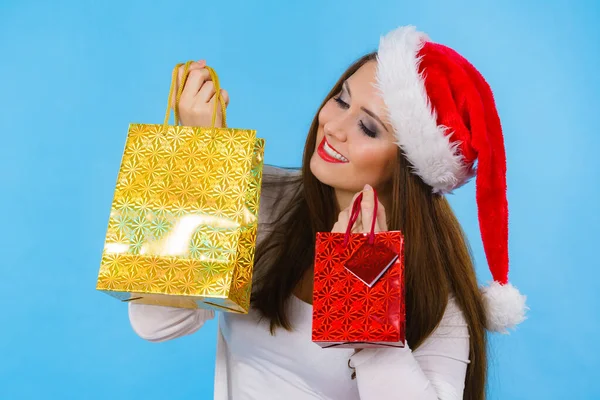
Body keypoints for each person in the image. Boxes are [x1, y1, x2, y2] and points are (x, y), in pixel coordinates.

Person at [128, 25, 527, 400]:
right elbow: (156, 323)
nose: (334, 125)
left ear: (409, 167)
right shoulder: (266, 198)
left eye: (368, 128)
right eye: (341, 99)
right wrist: (201, 166)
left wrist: (366, 301)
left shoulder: (436, 290)